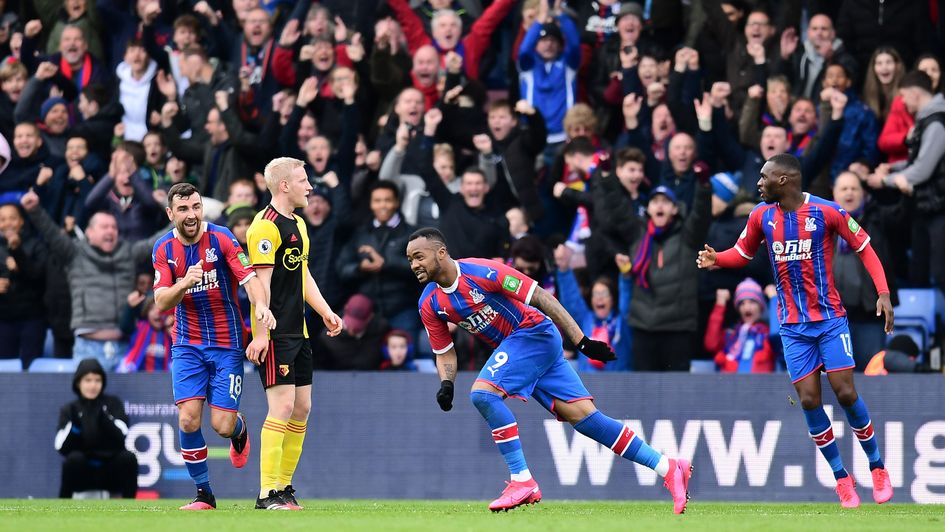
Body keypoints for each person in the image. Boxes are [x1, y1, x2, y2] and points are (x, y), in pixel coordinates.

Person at [406, 227, 692, 514]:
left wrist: (581, 341)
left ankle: (522, 480)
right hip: (522, 349)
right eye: (410, 260)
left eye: (419, 256)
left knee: (483, 395)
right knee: (586, 419)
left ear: (441, 252)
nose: (414, 264)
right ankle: (668, 466)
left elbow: (542, 297)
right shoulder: (429, 303)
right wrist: (447, 384)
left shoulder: (483, 272)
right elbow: (444, 352)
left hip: (532, 333)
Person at [697, 153, 895, 508]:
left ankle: (877, 467)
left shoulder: (827, 211)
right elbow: (742, 253)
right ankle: (841, 478)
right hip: (792, 326)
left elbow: (864, 247)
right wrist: (718, 259)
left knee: (845, 392)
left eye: (764, 177)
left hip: (829, 319)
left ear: (783, 179)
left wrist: (883, 292)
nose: (758, 183)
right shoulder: (761, 216)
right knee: (808, 400)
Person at [152, 182, 277, 510]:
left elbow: (250, 278)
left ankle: (239, 429)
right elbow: (162, 301)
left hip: (226, 343)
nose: (191, 214)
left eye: (196, 207)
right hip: (187, 344)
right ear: (171, 213)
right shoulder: (163, 248)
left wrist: (261, 307)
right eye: (183, 209)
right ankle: (204, 494)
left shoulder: (222, 237)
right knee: (188, 420)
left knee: (222, 426)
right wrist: (184, 283)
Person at [245, 157, 343, 510]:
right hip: (275, 333)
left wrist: (325, 310)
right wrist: (260, 335)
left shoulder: (298, 223)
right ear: (284, 185)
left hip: (298, 331)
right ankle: (266, 492)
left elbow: (302, 274)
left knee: (301, 408)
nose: (310, 187)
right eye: (303, 180)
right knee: (282, 406)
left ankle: (284, 487)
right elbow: (260, 286)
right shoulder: (264, 227)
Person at [55, 358, 137, 499]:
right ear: (78, 382)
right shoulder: (70, 409)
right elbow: (60, 447)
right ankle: (62, 505)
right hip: (84, 473)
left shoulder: (113, 404)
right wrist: (75, 428)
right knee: (73, 460)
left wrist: (104, 418)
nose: (93, 385)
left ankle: (130, 506)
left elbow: (123, 435)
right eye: (88, 380)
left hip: (111, 472)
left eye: (97, 380)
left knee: (128, 458)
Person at [703, 279, 774, 373]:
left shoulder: (767, 335)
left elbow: (778, 335)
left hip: (760, 382)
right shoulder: (731, 335)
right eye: (742, 303)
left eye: (752, 302)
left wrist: (774, 299)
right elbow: (711, 344)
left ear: (761, 307)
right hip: (729, 382)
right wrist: (720, 305)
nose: (747, 308)